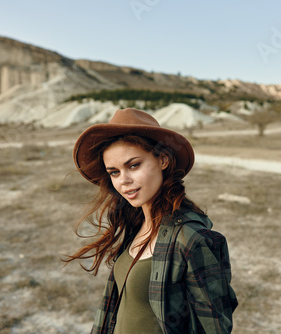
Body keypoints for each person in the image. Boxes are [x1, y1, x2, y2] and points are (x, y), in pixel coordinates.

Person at [64, 108, 238, 333]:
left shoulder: (191, 239)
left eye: (133, 165)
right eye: (114, 172)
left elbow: (213, 326)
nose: (123, 181)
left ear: (163, 160)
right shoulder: (135, 225)